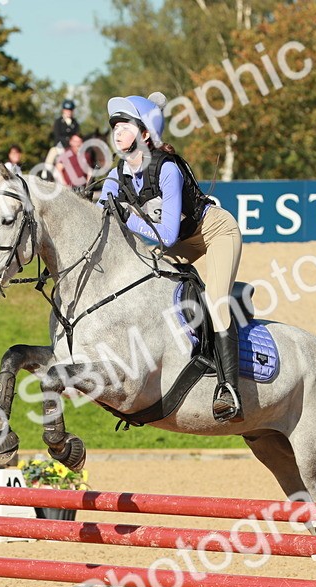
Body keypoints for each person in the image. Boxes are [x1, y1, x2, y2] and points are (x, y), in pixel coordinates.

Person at [97, 93, 244, 423]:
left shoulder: (167, 169)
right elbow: (99, 221)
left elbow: (167, 235)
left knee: (217, 302)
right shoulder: (115, 175)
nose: (117, 131)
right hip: (179, 241)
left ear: (145, 135)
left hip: (215, 232)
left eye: (126, 125)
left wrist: (126, 216)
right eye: (115, 125)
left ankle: (229, 389)